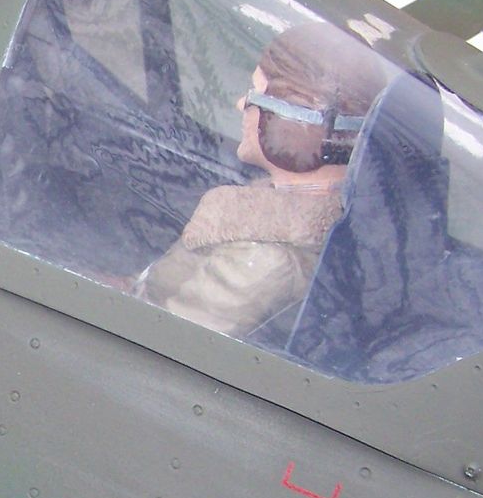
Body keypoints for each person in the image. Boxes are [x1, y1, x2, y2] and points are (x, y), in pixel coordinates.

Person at [135, 21, 389, 338]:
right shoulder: (303, 217)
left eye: (256, 94)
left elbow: (165, 340)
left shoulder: (264, 260)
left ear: (295, 121)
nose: (241, 104)